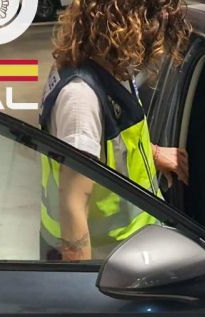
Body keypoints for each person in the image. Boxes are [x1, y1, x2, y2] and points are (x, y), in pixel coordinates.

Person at [39, 0, 191, 261]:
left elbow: (110, 143)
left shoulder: (109, 68)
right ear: (125, 21)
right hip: (107, 262)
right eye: (153, 14)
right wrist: (81, 282)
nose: (162, 21)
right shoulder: (81, 98)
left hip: (132, 249)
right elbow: (73, 206)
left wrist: (152, 153)